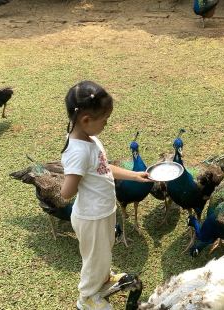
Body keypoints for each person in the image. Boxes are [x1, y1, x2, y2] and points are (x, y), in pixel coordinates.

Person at [60, 80, 151, 310]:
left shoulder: (89, 139)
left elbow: (104, 167)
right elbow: (66, 193)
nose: (107, 124)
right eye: (105, 120)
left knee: (103, 252)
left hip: (103, 211)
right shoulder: (79, 151)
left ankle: (102, 279)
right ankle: (87, 297)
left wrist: (134, 175)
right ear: (86, 120)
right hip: (91, 217)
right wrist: (74, 177)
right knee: (94, 259)